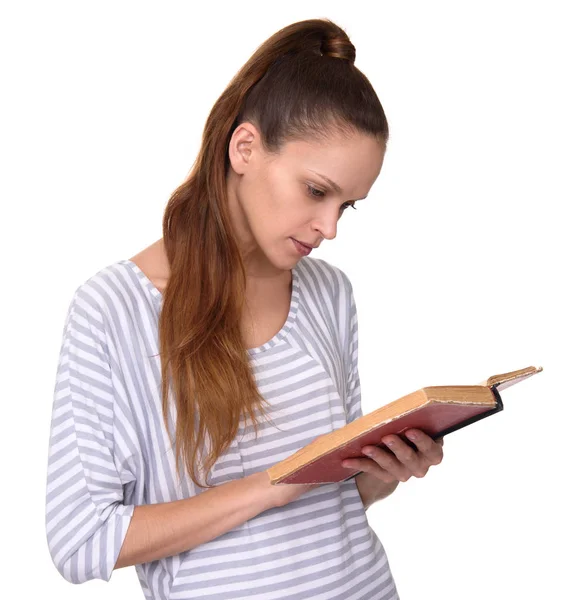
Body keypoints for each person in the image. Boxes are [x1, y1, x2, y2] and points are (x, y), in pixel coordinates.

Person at [45, 18, 444, 600]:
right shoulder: (113, 311)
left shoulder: (330, 294)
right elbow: (81, 540)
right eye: (316, 191)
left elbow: (329, 503)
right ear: (245, 148)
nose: (329, 227)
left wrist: (378, 477)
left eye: (348, 206)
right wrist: (270, 484)